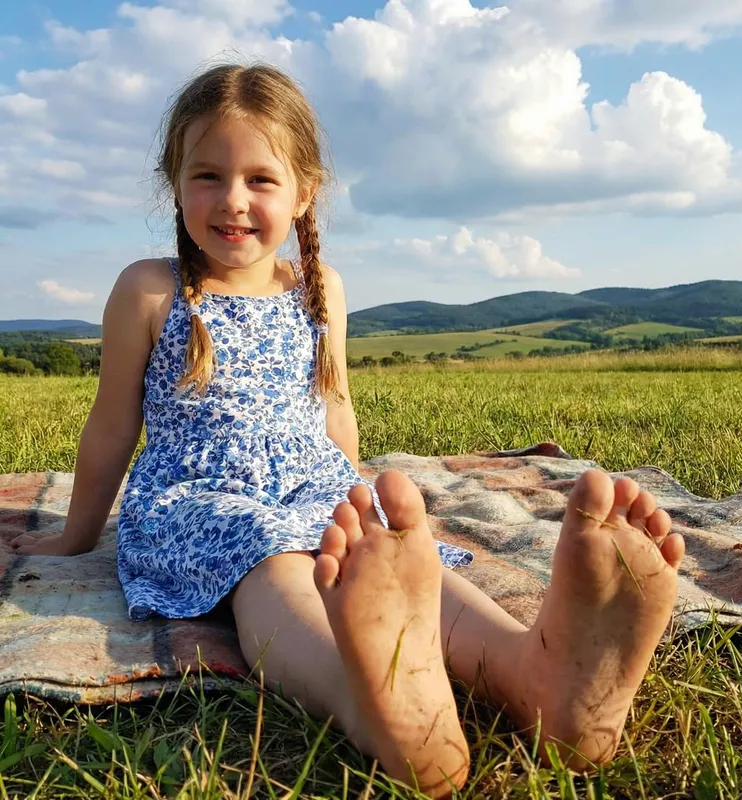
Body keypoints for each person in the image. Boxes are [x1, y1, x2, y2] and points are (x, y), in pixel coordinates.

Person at [11, 63, 685, 798]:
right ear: (173, 181)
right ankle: (369, 697)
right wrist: (74, 538)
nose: (232, 200)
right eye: (207, 175)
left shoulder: (320, 288)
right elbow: (112, 425)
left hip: (311, 480)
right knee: (274, 567)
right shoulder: (149, 288)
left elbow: (335, 407)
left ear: (305, 190)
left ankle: (537, 671)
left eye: (260, 180)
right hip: (197, 500)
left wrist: (357, 508)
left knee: (389, 560)